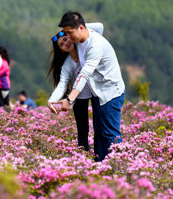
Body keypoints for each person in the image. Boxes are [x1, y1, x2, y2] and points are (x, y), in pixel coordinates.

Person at [50, 11, 125, 162]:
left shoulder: (94, 45)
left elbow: (84, 74)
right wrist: (69, 30)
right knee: (99, 132)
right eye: (65, 34)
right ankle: (102, 166)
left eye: (70, 33)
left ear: (81, 28)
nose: (68, 38)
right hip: (98, 93)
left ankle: (119, 167)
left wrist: (69, 100)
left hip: (110, 93)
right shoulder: (79, 42)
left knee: (110, 133)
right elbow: (63, 82)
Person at [46, 22, 104, 153]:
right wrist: (51, 100)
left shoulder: (85, 47)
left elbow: (100, 27)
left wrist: (70, 29)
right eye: (62, 44)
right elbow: (62, 85)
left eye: (66, 38)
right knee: (82, 131)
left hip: (96, 93)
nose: (66, 43)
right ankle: (83, 160)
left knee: (98, 129)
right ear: (62, 50)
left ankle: (98, 159)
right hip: (78, 97)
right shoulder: (67, 65)